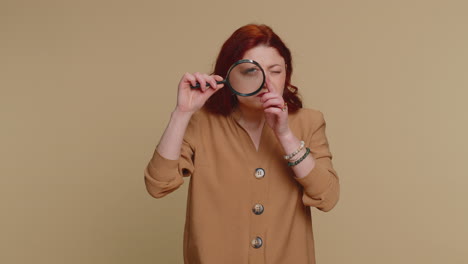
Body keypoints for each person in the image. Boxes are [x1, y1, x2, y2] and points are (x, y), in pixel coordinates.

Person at [144, 24, 340, 264]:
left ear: (286, 74)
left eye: (275, 71)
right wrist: (181, 114)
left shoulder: (309, 121)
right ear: (229, 75)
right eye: (250, 71)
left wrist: (286, 136)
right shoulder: (201, 122)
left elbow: (327, 196)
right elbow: (158, 185)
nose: (265, 81)